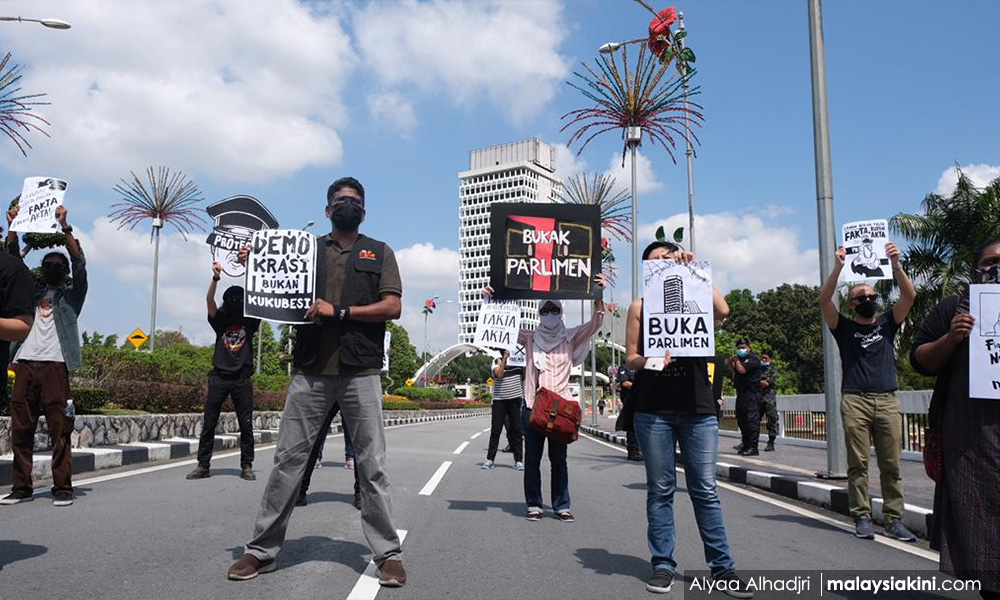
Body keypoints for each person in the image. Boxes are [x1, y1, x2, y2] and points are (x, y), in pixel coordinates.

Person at [228, 177, 406, 587]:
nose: (348, 205)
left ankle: (387, 554)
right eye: (341, 200)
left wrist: (340, 312)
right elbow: (273, 281)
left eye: (356, 201)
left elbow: (392, 306)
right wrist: (255, 261)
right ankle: (261, 550)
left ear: (365, 210)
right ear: (328, 210)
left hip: (360, 371)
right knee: (288, 462)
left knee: (372, 467)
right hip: (310, 372)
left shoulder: (380, 252)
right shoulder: (306, 250)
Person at [625, 241, 751, 597]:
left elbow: (723, 310)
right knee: (661, 490)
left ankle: (723, 568)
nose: (663, 263)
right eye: (655, 261)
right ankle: (663, 564)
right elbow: (631, 357)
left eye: (669, 257)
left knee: (705, 491)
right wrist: (649, 361)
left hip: (698, 409)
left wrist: (693, 270)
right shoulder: (641, 306)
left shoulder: (696, 292)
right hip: (653, 411)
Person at [910, 238, 1000, 600]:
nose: (998, 269)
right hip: (972, 440)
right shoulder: (953, 307)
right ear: (976, 268)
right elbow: (921, 360)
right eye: (992, 261)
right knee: (982, 519)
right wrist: (952, 337)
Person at [484, 276, 605, 522]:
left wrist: (597, 294)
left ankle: (561, 504)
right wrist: (489, 301)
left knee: (559, 460)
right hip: (532, 406)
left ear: (561, 312)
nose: (549, 313)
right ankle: (534, 504)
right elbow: (502, 328)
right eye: (545, 309)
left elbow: (595, 323)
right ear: (539, 312)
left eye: (554, 309)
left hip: (560, 408)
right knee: (532, 460)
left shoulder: (570, 337)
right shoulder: (529, 338)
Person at [820, 241, 918, 542]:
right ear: (851, 304)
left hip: (887, 399)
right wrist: (838, 266)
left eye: (870, 295)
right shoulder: (845, 328)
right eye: (859, 296)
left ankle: (893, 519)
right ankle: (861, 516)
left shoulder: (889, 323)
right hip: (855, 400)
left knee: (891, 464)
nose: (866, 298)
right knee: (858, 463)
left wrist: (896, 264)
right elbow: (824, 301)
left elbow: (909, 296)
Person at [1, 205, 86, 507]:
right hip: (24, 364)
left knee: (59, 430)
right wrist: (13, 226)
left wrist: (65, 228)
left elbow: (80, 263)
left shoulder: (71, 298)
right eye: (47, 264)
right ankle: (21, 487)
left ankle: (62, 487)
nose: (51, 268)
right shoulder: (29, 293)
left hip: (55, 367)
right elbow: (11, 263)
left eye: (56, 265)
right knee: (21, 428)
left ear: (63, 273)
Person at [186, 263, 260, 481]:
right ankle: (203, 465)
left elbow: (260, 300)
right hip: (219, 376)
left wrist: (251, 269)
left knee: (246, 424)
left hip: (242, 379)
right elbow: (209, 301)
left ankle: (246, 466)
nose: (236, 302)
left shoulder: (250, 321)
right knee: (209, 422)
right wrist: (215, 279)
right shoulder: (220, 320)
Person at [482, 348, 524, 471]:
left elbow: (525, 376)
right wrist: (505, 359)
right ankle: (490, 459)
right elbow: (499, 375)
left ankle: (518, 461)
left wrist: (525, 361)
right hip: (499, 400)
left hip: (515, 399)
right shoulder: (496, 361)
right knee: (496, 430)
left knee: (516, 430)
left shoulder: (519, 362)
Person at [729, 338, 762, 456]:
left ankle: (753, 447)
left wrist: (737, 361)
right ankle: (746, 444)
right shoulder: (741, 360)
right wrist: (731, 361)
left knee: (751, 420)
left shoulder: (753, 359)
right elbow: (733, 369)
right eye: (739, 348)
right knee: (742, 419)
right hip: (741, 393)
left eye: (743, 347)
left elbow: (742, 370)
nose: (741, 350)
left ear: (749, 347)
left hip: (751, 394)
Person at [615, 364, 643, 461]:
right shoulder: (625, 368)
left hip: (643, 400)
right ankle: (633, 451)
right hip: (630, 401)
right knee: (632, 426)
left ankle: (642, 450)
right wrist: (639, 387)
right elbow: (624, 383)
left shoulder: (643, 367)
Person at [759, 349, 779, 452]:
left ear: (770, 359)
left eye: (765, 358)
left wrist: (762, 381)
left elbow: (768, 382)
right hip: (758, 397)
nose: (763, 360)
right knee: (753, 420)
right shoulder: (758, 368)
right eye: (762, 357)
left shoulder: (773, 369)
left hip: (769, 398)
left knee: (771, 420)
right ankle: (749, 441)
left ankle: (771, 442)